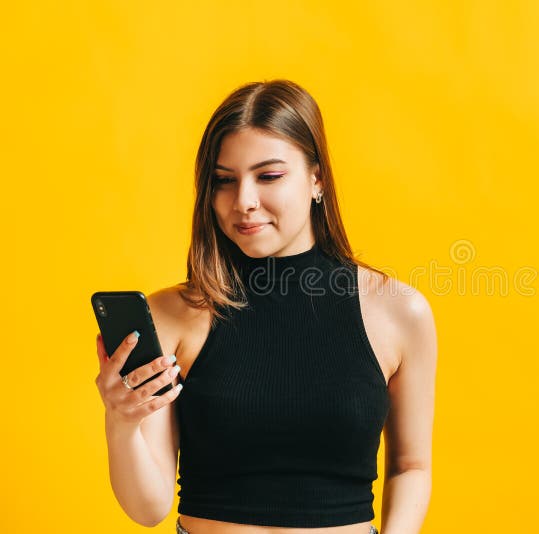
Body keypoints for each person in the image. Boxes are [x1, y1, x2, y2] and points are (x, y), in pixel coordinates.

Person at [94, 79, 438, 534]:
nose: (244, 202)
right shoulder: (172, 315)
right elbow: (149, 507)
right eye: (224, 181)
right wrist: (121, 422)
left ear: (317, 179)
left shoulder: (400, 312)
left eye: (269, 176)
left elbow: (410, 465)